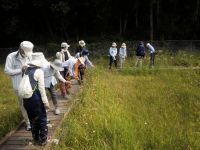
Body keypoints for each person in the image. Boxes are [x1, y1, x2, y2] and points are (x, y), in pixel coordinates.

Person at [4, 41, 33, 131]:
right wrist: (20, 69)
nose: (27, 54)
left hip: (30, 84)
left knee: (32, 103)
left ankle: (35, 120)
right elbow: (7, 70)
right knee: (23, 104)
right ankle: (28, 123)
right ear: (20, 49)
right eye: (25, 52)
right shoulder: (11, 56)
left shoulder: (30, 54)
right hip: (18, 86)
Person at [23, 59, 50, 146]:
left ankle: (35, 138)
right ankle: (43, 140)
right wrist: (46, 102)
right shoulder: (39, 71)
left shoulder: (25, 70)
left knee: (32, 119)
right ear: (38, 66)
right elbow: (42, 88)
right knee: (42, 118)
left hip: (26, 99)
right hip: (36, 98)